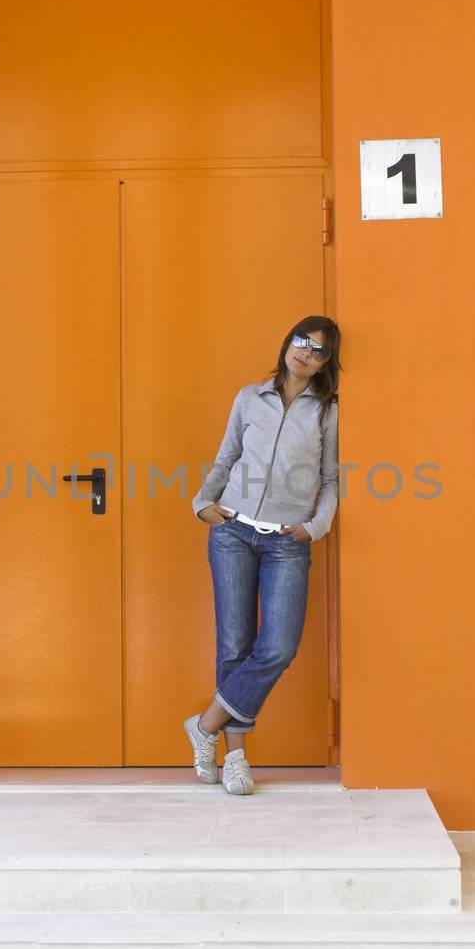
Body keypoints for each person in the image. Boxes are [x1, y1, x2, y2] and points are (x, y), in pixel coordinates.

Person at [184, 315, 341, 795]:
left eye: (318, 350)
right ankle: (236, 758)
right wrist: (201, 504)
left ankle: (204, 724)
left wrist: (314, 528)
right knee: (233, 644)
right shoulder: (250, 397)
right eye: (301, 342)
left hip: (285, 541)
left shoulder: (327, 410)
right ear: (287, 344)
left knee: (277, 647)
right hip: (232, 531)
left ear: (326, 362)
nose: (306, 353)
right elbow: (227, 456)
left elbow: (332, 481)